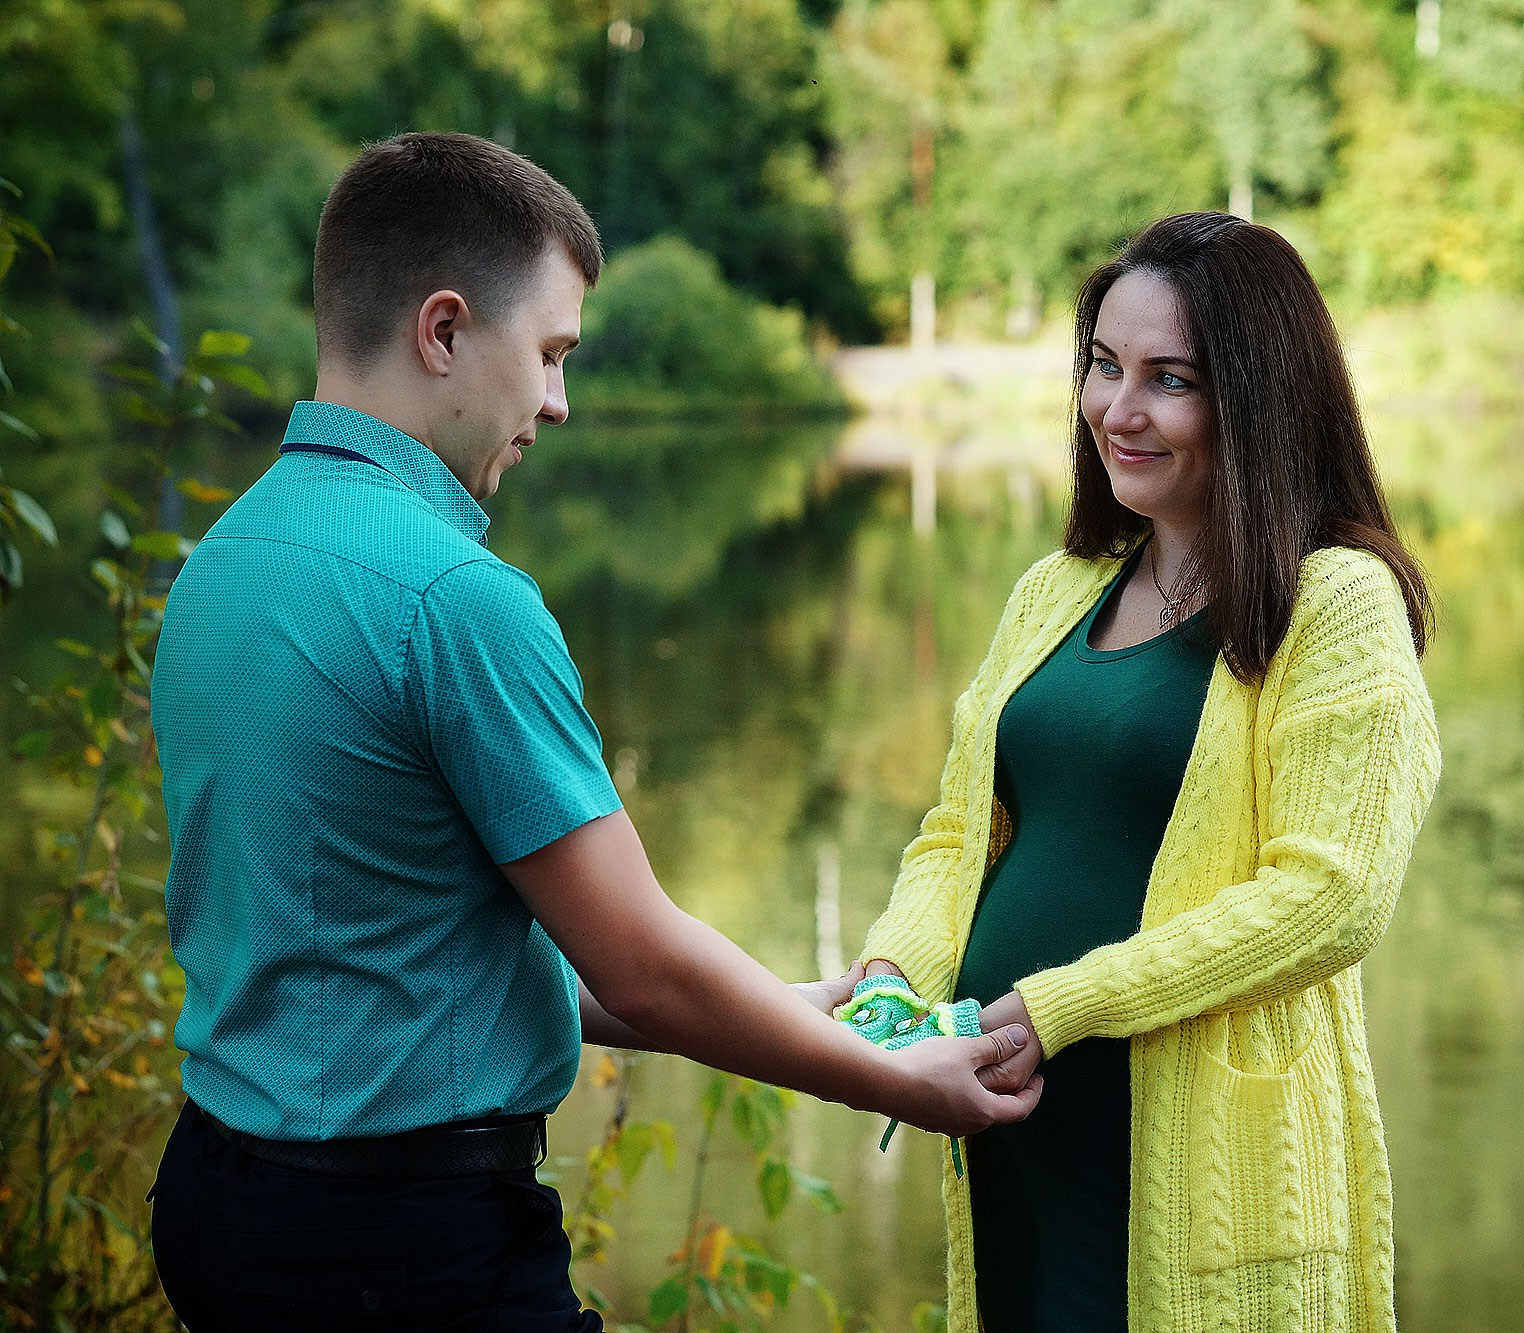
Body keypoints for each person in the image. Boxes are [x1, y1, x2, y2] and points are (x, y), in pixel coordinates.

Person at [146, 131, 1041, 1332]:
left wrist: (784, 1005)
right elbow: (643, 968)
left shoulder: (221, 562)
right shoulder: (451, 600)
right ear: (445, 330)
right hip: (399, 1254)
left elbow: (413, 950)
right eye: (552, 353)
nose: (559, 403)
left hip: (221, 1203)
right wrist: (891, 1076)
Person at [856, 211, 1442, 1333]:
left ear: (1258, 399)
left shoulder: (1337, 601)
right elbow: (957, 834)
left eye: (1167, 379)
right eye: (1102, 365)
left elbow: (1331, 896)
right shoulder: (1056, 587)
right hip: (1018, 1120)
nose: (1115, 411)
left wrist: (1065, 1003)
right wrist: (893, 974)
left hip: (1194, 1146)